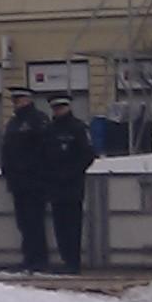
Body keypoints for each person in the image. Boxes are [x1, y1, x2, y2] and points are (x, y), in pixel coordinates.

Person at [41, 97, 97, 274]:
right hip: (55, 184)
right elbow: (43, 156)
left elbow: (87, 155)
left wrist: (71, 172)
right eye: (56, 108)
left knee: (73, 224)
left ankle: (73, 262)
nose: (58, 111)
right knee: (59, 225)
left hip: (73, 184)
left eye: (61, 107)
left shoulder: (78, 128)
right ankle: (66, 259)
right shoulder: (50, 129)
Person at [0, 92, 52, 273]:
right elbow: (6, 149)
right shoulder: (13, 123)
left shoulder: (38, 119)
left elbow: (44, 149)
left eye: (19, 100)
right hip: (18, 181)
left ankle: (39, 259)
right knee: (24, 223)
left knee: (35, 221)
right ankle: (29, 258)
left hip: (35, 180)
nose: (16, 104)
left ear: (28, 100)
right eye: (14, 101)